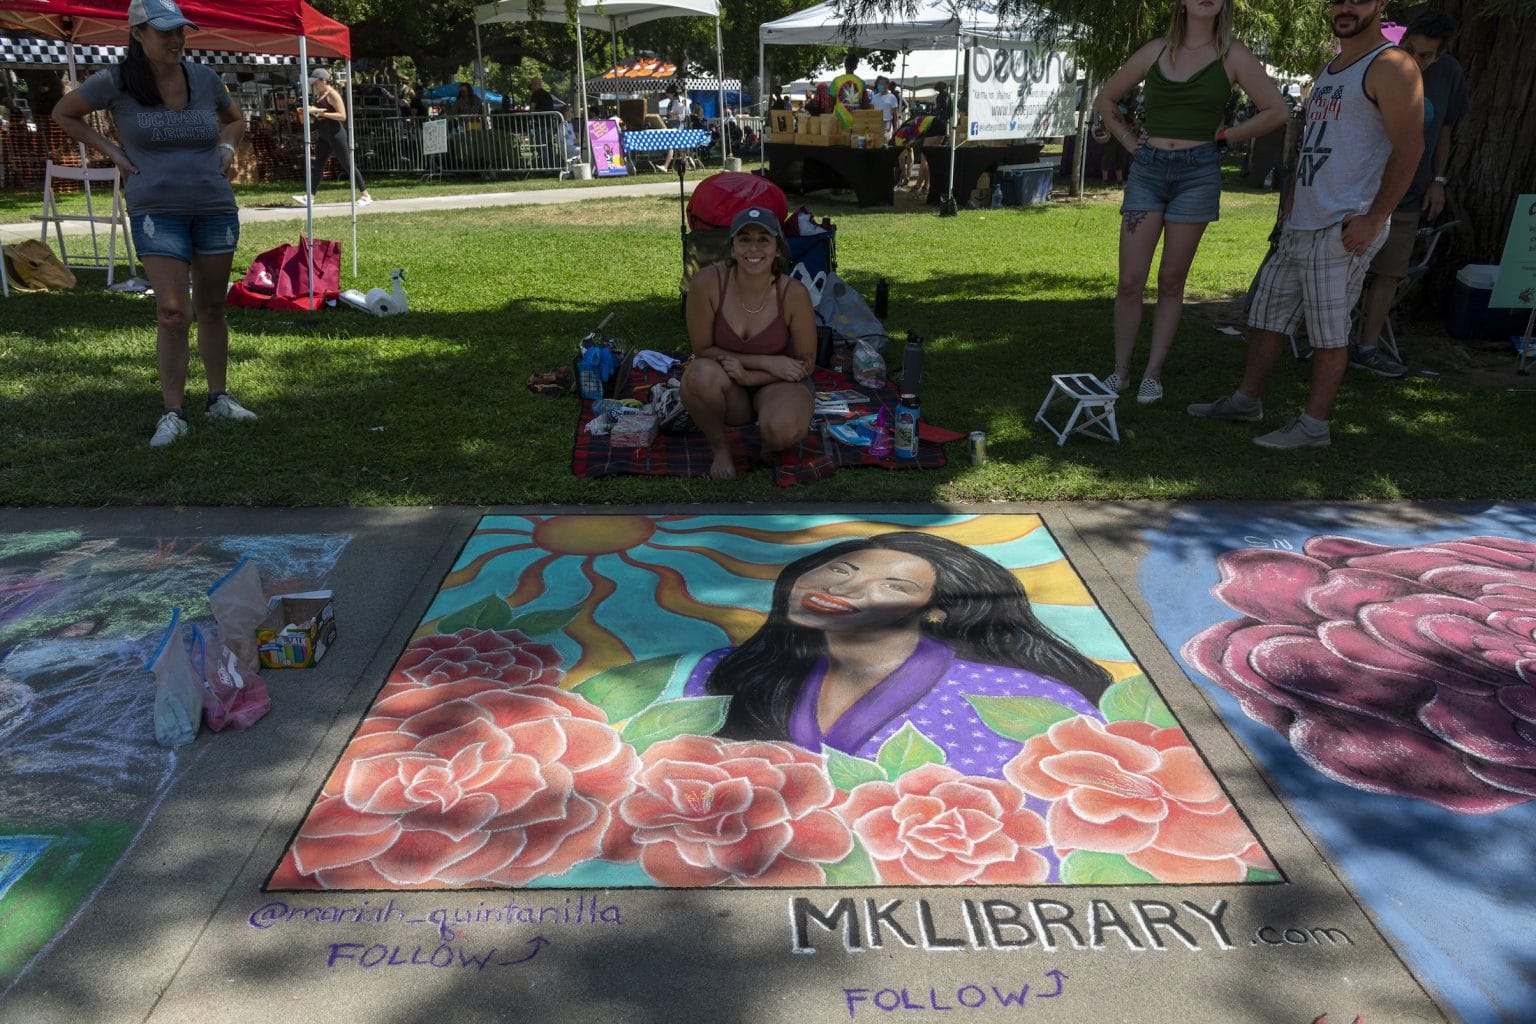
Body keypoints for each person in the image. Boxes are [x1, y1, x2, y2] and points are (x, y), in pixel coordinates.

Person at [1188, 0, 1423, 449]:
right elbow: (1316, 144)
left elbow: (1410, 147)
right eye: (1337, 0)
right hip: (1303, 220)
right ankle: (1246, 401)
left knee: (1329, 329)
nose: (1346, 7)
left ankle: (1314, 425)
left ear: (1381, 5)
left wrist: (1374, 218)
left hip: (1344, 223)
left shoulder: (1392, 66)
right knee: (1267, 316)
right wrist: (1291, 208)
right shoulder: (1331, 66)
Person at [684, 531, 1109, 774]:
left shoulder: (1027, 698)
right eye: (839, 569)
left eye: (894, 585)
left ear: (936, 611)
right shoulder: (729, 670)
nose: (840, 588)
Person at [51, 0, 257, 448]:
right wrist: (114, 155)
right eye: (165, 32)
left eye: (180, 31)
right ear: (138, 34)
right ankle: (172, 411)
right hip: (155, 210)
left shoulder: (203, 78)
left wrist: (226, 150)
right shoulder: (116, 81)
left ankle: (218, 397)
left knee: (213, 307)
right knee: (171, 313)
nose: (176, 40)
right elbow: (63, 113)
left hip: (214, 207)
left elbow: (235, 120)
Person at [1093, 0, 1286, 405]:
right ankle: (1120, 371)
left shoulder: (1233, 54)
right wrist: (1130, 143)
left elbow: (1276, 110)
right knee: (1130, 281)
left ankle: (1152, 374)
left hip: (1197, 173)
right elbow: (1106, 99)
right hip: (1148, 170)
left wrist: (1224, 138)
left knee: (1171, 281)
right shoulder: (1156, 50)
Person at [1351, 10, 1468, 378]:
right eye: (1410, 48)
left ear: (1441, 54)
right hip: (1361, 191)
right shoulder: (1381, 63)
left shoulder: (1450, 74)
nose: (1415, 60)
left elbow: (1445, 133)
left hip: (1410, 193)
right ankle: (1330, 340)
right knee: (1344, 269)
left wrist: (1439, 181)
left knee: (1389, 274)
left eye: (1426, 55)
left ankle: (1367, 347)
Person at [680, 207, 816, 479]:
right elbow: (702, 350)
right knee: (697, 375)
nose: (753, 248)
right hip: (730, 383)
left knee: (783, 429)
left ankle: (769, 444)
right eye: (744, 239)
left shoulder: (793, 293)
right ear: (732, 248)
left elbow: (805, 363)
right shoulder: (707, 283)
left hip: (779, 382)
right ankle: (720, 448)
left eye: (763, 239)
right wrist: (765, 361)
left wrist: (752, 376)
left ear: (778, 248)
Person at [293, 68, 372, 207]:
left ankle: (365, 195)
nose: (315, 86)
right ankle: (310, 197)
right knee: (318, 165)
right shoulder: (320, 95)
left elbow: (342, 116)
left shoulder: (333, 94)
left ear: (323, 81)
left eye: (316, 83)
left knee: (347, 164)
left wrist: (321, 113)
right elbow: (319, 115)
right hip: (324, 134)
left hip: (336, 134)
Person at [912, 81, 952, 194]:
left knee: (925, 156)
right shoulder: (948, 96)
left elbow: (939, 111)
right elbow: (949, 113)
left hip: (935, 126)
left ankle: (919, 184)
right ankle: (926, 185)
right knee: (932, 158)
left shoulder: (940, 97)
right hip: (943, 127)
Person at [830, 51, 866, 131]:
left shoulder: (836, 81)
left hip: (839, 123)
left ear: (845, 65)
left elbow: (830, 105)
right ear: (856, 66)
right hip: (856, 123)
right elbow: (865, 105)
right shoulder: (861, 83)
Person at [657, 83, 686, 172]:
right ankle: (687, 165)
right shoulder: (672, 102)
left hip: (677, 126)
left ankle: (665, 166)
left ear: (672, 93)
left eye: (668, 93)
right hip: (672, 125)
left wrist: (673, 114)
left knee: (671, 145)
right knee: (680, 147)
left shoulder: (678, 102)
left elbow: (682, 116)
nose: (667, 95)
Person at [869, 74, 900, 143]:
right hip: (876, 124)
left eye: (881, 84)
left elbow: (895, 114)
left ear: (887, 85)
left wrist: (896, 128)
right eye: (879, 84)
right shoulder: (874, 97)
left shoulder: (892, 97)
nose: (879, 86)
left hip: (887, 125)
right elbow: (871, 112)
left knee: (885, 143)